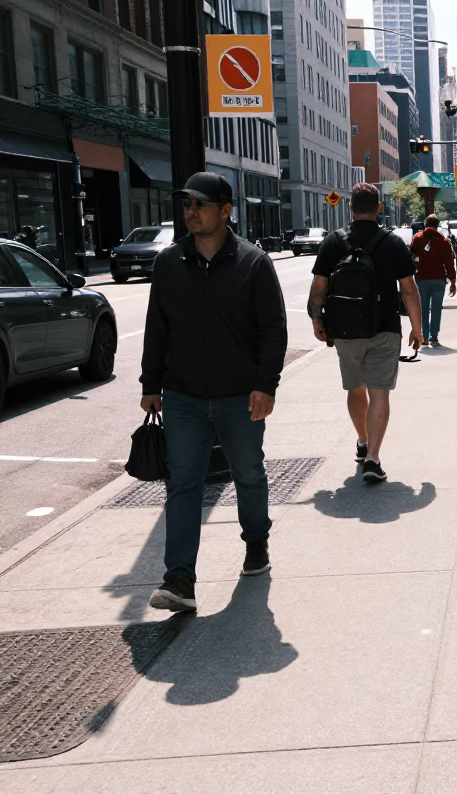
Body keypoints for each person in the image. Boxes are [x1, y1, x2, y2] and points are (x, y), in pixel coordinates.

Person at [140, 172, 288, 613]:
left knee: (248, 474)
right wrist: (151, 384)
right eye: (186, 205)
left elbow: (273, 330)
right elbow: (157, 326)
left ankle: (256, 542)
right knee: (183, 484)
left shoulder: (253, 262)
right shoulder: (169, 262)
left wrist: (266, 384)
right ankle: (179, 579)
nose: (190, 212)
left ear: (226, 210)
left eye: (199, 205)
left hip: (240, 396)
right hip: (183, 396)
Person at [307, 183, 422, 484]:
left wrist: (317, 320)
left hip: (345, 331)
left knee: (355, 389)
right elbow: (409, 290)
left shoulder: (334, 241)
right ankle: (373, 458)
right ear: (379, 208)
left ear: (350, 208)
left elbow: (319, 287)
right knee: (379, 392)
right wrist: (417, 328)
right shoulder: (394, 243)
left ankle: (362, 440)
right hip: (385, 328)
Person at [411, 214, 457, 347]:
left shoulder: (417, 238)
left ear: (425, 225)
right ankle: (434, 337)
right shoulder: (443, 241)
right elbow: (449, 263)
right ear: (437, 225)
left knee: (423, 308)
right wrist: (453, 281)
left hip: (422, 278)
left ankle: (424, 336)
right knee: (436, 308)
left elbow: (411, 257)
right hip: (439, 279)